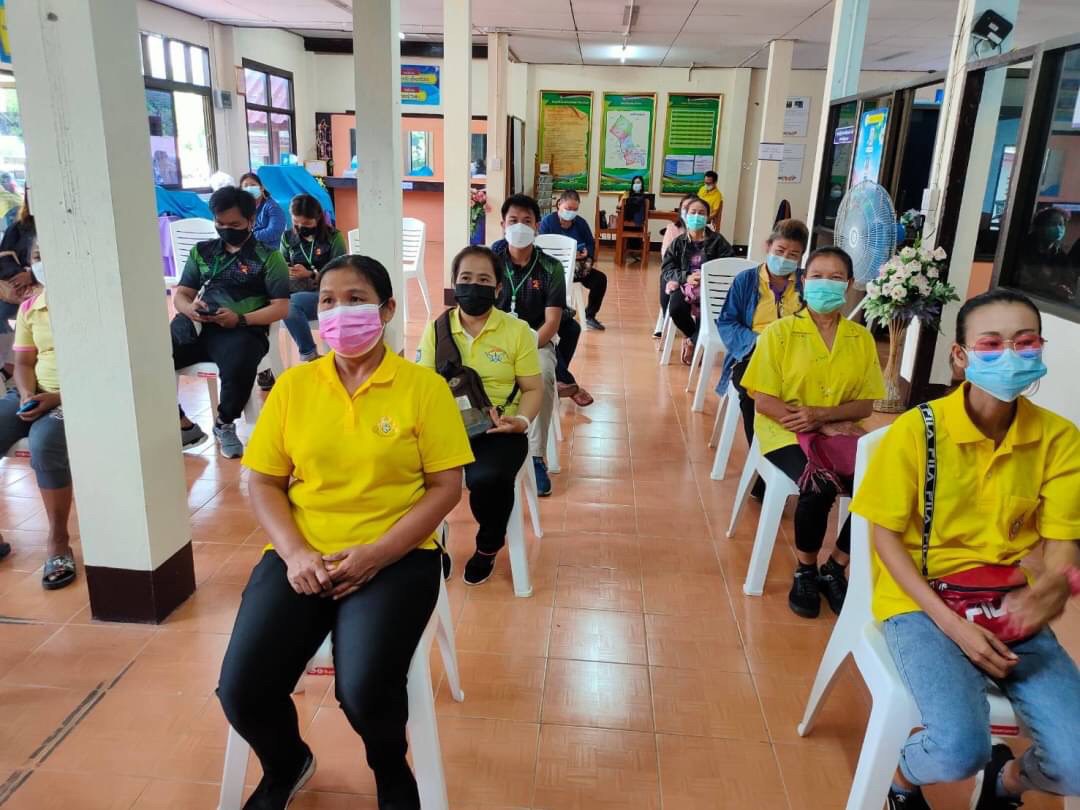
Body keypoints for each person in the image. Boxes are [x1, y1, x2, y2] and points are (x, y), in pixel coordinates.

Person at [218, 255, 473, 810]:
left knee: (364, 688)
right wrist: (295, 553)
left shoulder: (422, 388)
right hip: (302, 553)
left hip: (397, 554)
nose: (338, 312)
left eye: (355, 299)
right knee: (241, 688)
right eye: (328, 300)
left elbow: (445, 488)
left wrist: (377, 554)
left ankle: (390, 768)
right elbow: (264, 482)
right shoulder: (294, 386)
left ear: (386, 309)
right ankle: (287, 763)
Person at [851, 288, 1080, 810]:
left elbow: (1062, 542)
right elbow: (885, 537)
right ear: (960, 355)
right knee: (959, 749)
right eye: (992, 344)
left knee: (1076, 758)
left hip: (1007, 603)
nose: (1011, 355)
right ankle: (904, 778)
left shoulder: (1059, 439)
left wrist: (1054, 587)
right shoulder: (918, 432)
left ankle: (1007, 781)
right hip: (923, 603)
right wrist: (954, 626)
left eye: (1025, 343)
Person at [740, 246, 885, 619]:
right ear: (803, 281)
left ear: (849, 285)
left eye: (836, 278)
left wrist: (824, 416)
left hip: (839, 432)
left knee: (883, 486)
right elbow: (764, 400)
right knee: (819, 484)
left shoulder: (860, 338)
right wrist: (817, 422)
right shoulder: (780, 333)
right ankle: (805, 569)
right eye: (817, 276)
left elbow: (865, 405)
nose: (826, 284)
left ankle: (835, 566)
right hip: (785, 431)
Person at [417, 246, 543, 586]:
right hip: (445, 429)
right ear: (455, 283)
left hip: (497, 429)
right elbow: (422, 387)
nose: (474, 286)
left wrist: (521, 422)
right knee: (400, 471)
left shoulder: (516, 331)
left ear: (498, 288)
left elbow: (533, 389)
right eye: (466, 278)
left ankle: (488, 545)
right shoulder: (437, 330)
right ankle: (429, 545)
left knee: (487, 479)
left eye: (484, 280)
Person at [171, 186, 290, 458]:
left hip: (242, 330)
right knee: (152, 355)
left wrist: (240, 319)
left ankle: (224, 423)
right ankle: (181, 423)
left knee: (240, 360)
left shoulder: (269, 257)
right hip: (198, 325)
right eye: (220, 223)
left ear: (251, 220)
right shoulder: (202, 252)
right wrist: (189, 309)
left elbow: (281, 307)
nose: (226, 230)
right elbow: (182, 294)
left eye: (234, 225)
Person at [0, 255, 76, 590]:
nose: (42, 262)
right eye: (37, 256)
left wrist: (56, 398)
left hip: (78, 398)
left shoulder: (90, 306)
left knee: (44, 444)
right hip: (37, 392)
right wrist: (27, 394)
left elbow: (107, 368)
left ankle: (58, 541)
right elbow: (23, 363)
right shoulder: (31, 306)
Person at [490, 194, 564, 497]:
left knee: (543, 375)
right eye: (513, 221)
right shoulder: (490, 261)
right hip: (494, 341)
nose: (519, 226)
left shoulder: (550, 267)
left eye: (526, 221)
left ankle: (535, 456)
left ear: (536, 226)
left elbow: (552, 322)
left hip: (537, 342)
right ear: (502, 224)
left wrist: (526, 347)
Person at [717, 219, 808, 453]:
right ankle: (763, 457)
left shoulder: (806, 283)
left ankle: (802, 451)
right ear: (768, 246)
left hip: (796, 357)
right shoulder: (746, 281)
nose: (785, 258)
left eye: (793, 255)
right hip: (753, 355)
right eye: (780, 250)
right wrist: (756, 340)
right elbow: (727, 321)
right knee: (753, 393)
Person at [275, 194, 347, 370]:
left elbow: (340, 274)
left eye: (306, 224)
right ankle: (266, 366)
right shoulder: (287, 237)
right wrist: (286, 270)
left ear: (318, 218)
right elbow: (281, 264)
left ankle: (310, 356)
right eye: (296, 222)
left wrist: (310, 274)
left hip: (325, 293)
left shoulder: (333, 237)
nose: (300, 227)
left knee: (289, 305)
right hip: (294, 289)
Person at [660, 196, 733, 363]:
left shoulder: (718, 241)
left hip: (710, 288)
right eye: (693, 212)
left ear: (707, 217)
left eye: (701, 213)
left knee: (708, 315)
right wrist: (686, 276)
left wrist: (707, 277)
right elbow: (667, 269)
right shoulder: (678, 243)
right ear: (686, 215)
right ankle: (694, 337)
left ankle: (693, 342)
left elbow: (728, 264)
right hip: (685, 286)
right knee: (676, 309)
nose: (697, 216)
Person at [538, 190, 608, 330]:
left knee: (600, 280)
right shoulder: (547, 222)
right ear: (559, 204)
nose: (571, 212)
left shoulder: (581, 223)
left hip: (577, 268)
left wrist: (587, 252)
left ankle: (589, 315)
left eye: (575, 210)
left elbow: (590, 243)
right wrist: (568, 254)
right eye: (568, 208)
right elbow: (541, 247)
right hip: (552, 269)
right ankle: (550, 314)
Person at [0, 195, 36, 383]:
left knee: (30, 316)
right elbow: (3, 257)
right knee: (4, 313)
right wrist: (18, 275)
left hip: (40, 287)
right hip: (16, 286)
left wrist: (32, 275)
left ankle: (11, 367)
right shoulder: (18, 227)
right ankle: (9, 366)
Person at [1016, 207, 1075, 301]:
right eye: (1053, 224)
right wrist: (1051, 288)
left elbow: (1070, 282)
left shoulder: (1061, 257)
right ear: (1039, 227)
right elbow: (1021, 280)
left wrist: (1065, 289)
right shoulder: (1022, 248)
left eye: (1061, 224)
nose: (1059, 228)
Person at [239, 172, 287, 250]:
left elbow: (275, 231)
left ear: (261, 188)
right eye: (246, 186)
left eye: (253, 185)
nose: (249, 188)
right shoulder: (242, 209)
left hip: (270, 251)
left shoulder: (272, 206)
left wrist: (249, 237)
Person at [618, 175, 649, 261]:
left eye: (638, 182)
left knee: (637, 227)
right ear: (632, 185)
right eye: (635, 183)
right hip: (630, 223)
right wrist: (623, 198)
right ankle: (633, 252)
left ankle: (634, 252)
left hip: (637, 223)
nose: (636, 184)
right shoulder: (627, 195)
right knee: (634, 227)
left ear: (642, 184)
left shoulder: (644, 197)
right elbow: (619, 206)